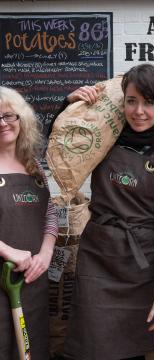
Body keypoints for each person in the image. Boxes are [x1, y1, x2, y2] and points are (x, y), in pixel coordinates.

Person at [61, 64, 154, 360]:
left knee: (130, 351)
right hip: (97, 256)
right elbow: (62, 146)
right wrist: (68, 105)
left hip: (140, 265)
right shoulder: (102, 141)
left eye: (149, 102)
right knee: (89, 347)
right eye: (132, 101)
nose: (139, 111)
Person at [0, 86, 58, 359]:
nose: (2, 123)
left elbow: (50, 214)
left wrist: (45, 255)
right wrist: (9, 251)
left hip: (33, 280)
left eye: (9, 116)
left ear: (21, 119)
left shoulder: (34, 166)